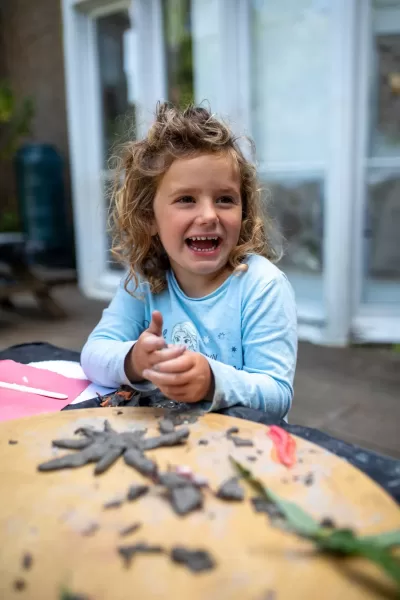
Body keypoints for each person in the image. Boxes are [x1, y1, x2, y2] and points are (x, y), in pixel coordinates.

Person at [81, 103, 297, 419]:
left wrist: (212, 381)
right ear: (148, 216)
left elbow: (278, 395)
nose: (209, 215)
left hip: (246, 451)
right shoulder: (145, 280)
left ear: (244, 211)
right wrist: (135, 360)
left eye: (225, 199)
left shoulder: (262, 286)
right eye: (186, 200)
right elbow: (93, 354)